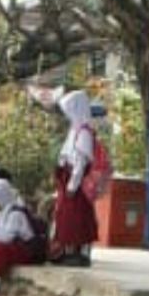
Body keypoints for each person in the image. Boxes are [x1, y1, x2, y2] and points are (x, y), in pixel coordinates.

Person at [52, 90, 98, 267]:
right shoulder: (75, 129)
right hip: (67, 177)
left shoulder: (84, 132)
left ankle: (78, 252)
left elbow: (80, 161)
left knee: (77, 218)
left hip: (75, 183)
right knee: (66, 217)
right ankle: (66, 250)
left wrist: (72, 185)